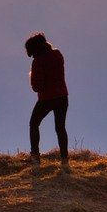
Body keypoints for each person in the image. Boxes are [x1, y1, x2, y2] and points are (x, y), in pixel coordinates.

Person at [25, 32, 70, 173]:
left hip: (46, 99)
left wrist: (32, 74)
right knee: (60, 128)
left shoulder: (38, 61)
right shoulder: (58, 54)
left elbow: (36, 87)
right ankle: (64, 160)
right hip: (62, 97)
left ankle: (35, 158)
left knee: (34, 124)